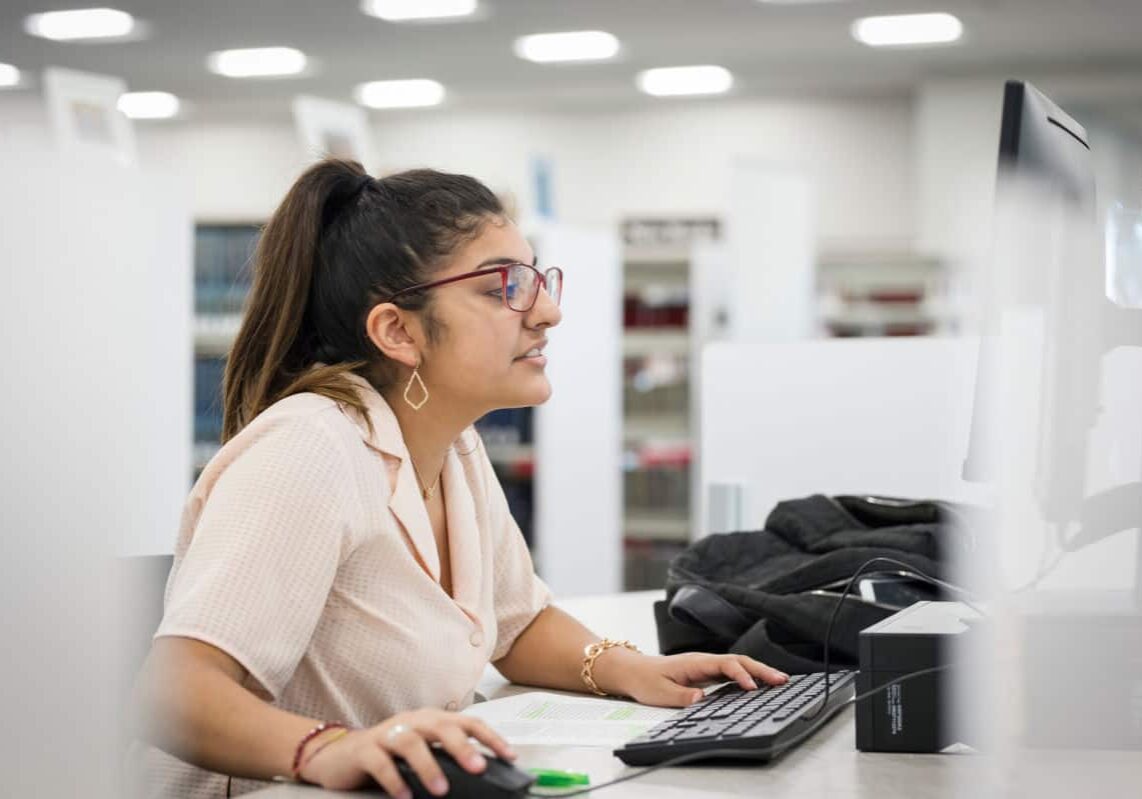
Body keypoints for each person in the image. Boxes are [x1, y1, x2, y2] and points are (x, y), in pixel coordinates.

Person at [131, 159, 788, 799]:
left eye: (537, 279)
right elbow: (175, 694)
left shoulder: (455, 447)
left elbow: (516, 623)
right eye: (504, 285)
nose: (547, 312)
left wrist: (632, 668)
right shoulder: (308, 449)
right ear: (397, 329)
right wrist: (330, 747)